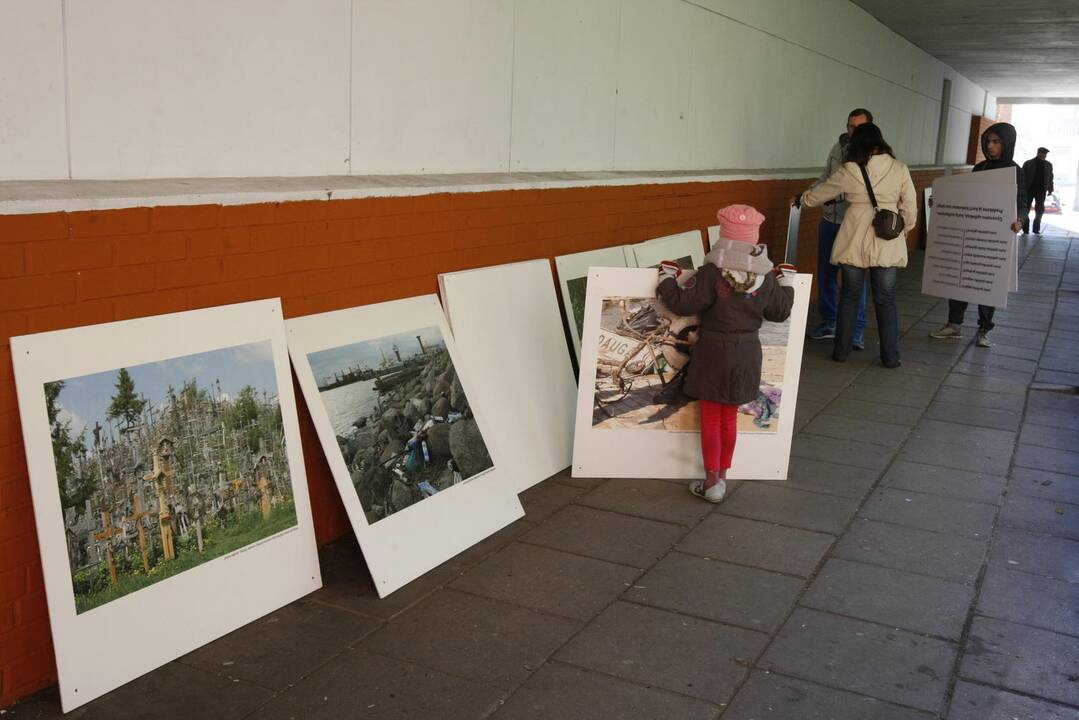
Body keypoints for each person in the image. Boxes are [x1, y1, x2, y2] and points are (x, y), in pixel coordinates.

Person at [656, 205, 794, 503]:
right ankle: (724, 479)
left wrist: (666, 277)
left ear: (724, 236)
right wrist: (787, 282)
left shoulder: (711, 272)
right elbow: (781, 311)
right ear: (754, 239)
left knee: (710, 417)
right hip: (746, 352)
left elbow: (682, 304)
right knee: (729, 416)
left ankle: (710, 481)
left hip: (713, 353)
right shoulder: (766, 277)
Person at [796, 123, 916, 367]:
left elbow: (823, 192)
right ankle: (890, 357)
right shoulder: (900, 168)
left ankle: (841, 351)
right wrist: (903, 230)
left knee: (849, 295)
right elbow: (910, 207)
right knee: (886, 298)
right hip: (886, 237)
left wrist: (802, 199)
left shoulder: (850, 169)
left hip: (854, 236)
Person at [929, 122, 1025, 347]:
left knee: (988, 283)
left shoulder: (1014, 171)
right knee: (960, 279)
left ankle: (984, 329)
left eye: (996, 142)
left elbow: (1022, 202)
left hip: (995, 237)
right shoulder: (979, 168)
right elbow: (966, 198)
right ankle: (954, 325)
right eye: (987, 142)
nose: (990, 146)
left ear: (1007, 143)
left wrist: (1020, 220)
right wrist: (941, 202)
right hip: (971, 234)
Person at [806, 108, 872, 350]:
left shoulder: (873, 154)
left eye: (858, 127)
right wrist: (808, 194)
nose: (852, 131)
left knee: (854, 280)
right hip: (829, 221)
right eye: (850, 126)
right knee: (826, 275)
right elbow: (827, 177)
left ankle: (856, 330)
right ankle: (831, 322)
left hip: (853, 225)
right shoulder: (838, 147)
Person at [1021, 146, 1053, 234]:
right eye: (1043, 154)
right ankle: (1025, 228)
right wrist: (1021, 189)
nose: (1045, 156)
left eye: (1045, 155)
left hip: (1041, 191)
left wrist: (1050, 189)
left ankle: (1036, 229)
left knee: (1039, 210)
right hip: (1029, 189)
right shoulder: (1028, 163)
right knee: (1026, 209)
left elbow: (1050, 178)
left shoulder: (1048, 165)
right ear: (1038, 153)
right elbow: (1022, 177)